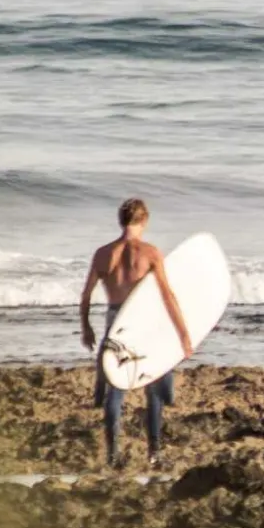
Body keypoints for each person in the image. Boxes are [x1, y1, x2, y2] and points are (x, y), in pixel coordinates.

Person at [79, 197, 197, 467]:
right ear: (145, 221)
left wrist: (86, 328)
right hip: (142, 323)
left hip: (115, 320)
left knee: (115, 390)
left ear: (121, 220)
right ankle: (154, 455)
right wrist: (183, 335)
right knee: (153, 390)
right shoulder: (150, 253)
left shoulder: (103, 253)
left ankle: (112, 456)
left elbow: (85, 296)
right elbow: (168, 296)